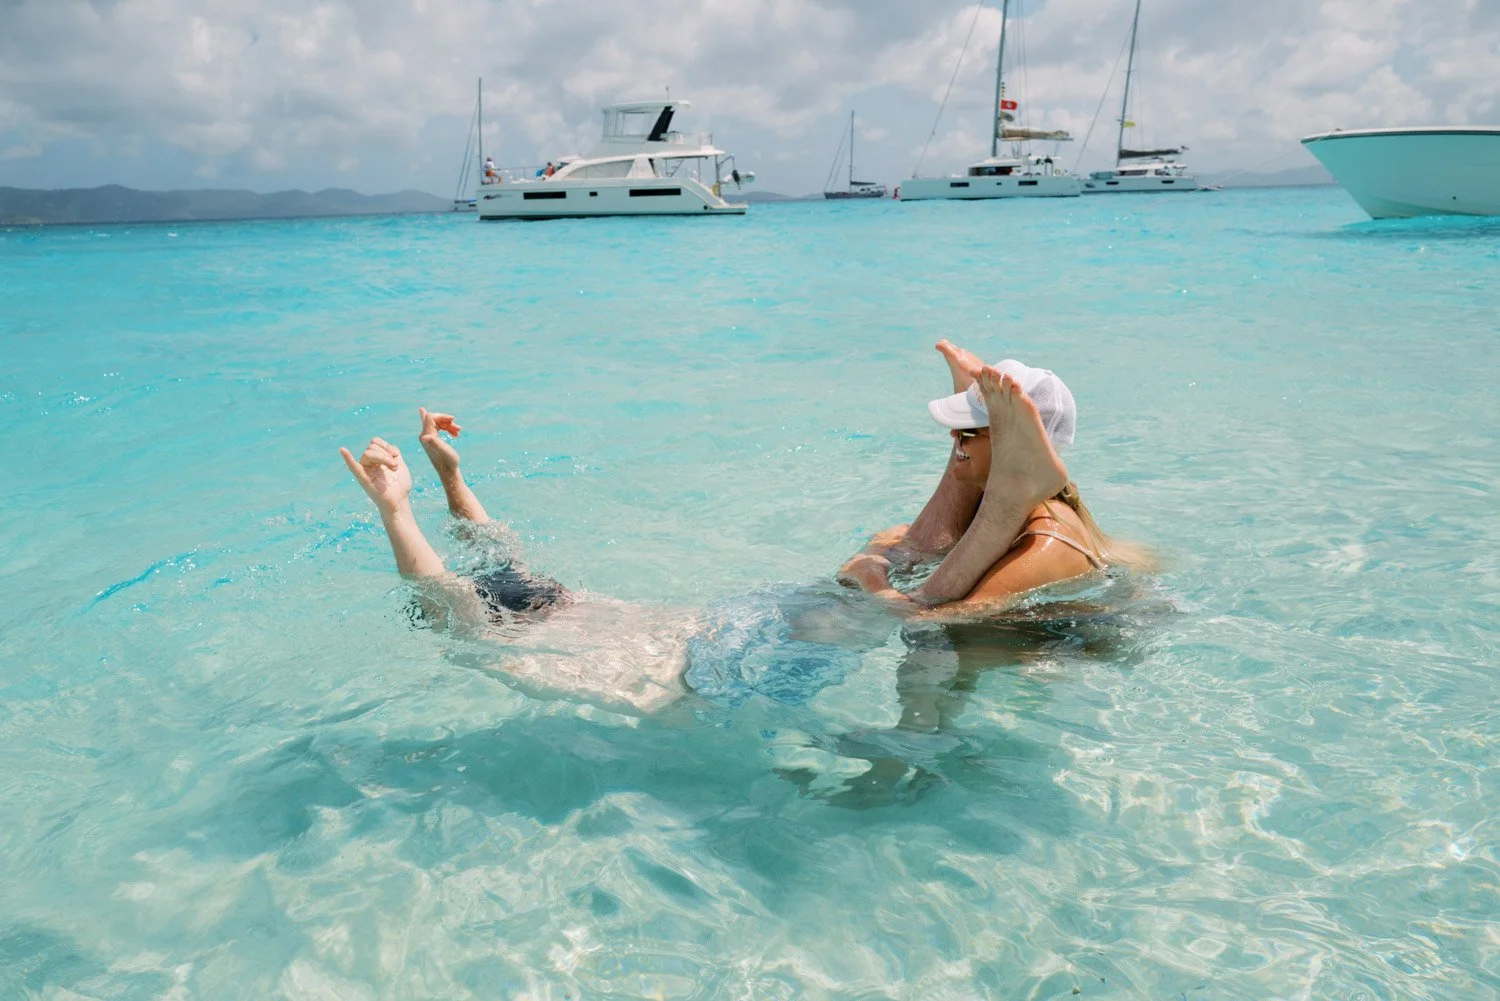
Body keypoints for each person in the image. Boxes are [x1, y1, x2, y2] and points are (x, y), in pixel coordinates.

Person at [836, 341, 1114, 614]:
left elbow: (927, 619)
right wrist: (879, 555)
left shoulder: (1045, 541)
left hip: (1071, 637)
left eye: (969, 431)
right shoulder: (997, 508)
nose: (953, 435)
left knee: (840, 619)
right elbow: (913, 543)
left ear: (1017, 449)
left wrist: (872, 580)